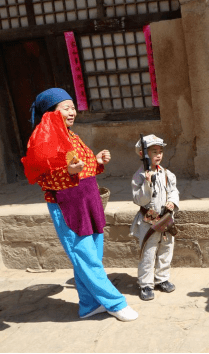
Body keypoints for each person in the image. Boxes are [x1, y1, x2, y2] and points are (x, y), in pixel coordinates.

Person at [21, 88, 138, 322]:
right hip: (68, 206)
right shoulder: (43, 142)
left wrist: (96, 160)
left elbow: (84, 168)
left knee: (91, 254)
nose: (73, 112)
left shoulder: (72, 136)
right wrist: (67, 171)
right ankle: (115, 302)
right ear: (51, 114)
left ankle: (88, 305)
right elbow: (43, 178)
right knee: (86, 257)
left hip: (89, 202)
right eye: (66, 108)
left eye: (73, 107)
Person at [130, 134, 180, 301]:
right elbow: (140, 199)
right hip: (149, 221)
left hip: (165, 219)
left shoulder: (166, 174)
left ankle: (162, 278)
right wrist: (147, 184)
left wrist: (172, 202)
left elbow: (173, 191)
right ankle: (145, 283)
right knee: (148, 252)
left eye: (160, 151)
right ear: (143, 154)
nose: (158, 155)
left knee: (166, 248)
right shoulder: (139, 177)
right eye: (154, 152)